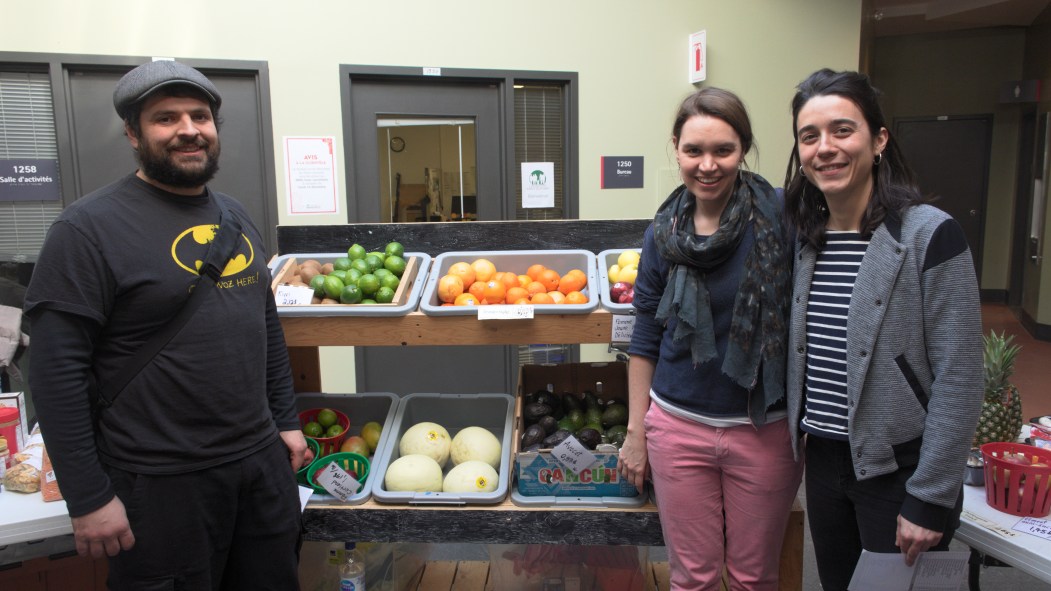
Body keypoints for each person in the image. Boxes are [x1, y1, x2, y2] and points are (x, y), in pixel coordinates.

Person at [24, 60, 310, 589]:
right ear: (134, 133)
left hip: (258, 467)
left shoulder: (235, 216)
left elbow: (263, 323)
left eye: (200, 116)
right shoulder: (86, 230)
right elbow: (55, 373)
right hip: (157, 484)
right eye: (165, 118)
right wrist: (88, 497)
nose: (188, 129)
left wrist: (286, 420)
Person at [782, 69, 983, 591]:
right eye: (810, 136)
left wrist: (931, 495)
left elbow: (960, 377)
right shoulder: (807, 240)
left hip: (900, 472)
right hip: (824, 463)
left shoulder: (929, 235)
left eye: (842, 130)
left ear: (879, 139)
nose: (825, 148)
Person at [617, 87, 802, 590]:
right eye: (694, 150)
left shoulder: (785, 218)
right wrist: (638, 433)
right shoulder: (663, 233)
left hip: (764, 430)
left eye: (724, 150)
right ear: (675, 148)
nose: (708, 165)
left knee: (752, 577)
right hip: (678, 431)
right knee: (691, 577)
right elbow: (645, 336)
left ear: (744, 149)